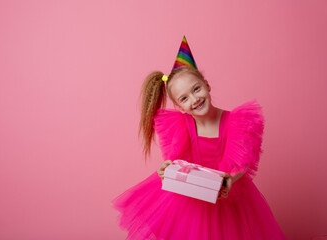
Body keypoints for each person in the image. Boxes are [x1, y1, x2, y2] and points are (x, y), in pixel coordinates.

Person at [111, 36, 287, 239]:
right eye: (184, 98)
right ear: (178, 106)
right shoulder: (179, 126)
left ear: (207, 85)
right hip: (192, 198)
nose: (194, 99)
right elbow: (179, 162)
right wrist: (166, 170)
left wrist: (231, 178)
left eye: (197, 89)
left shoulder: (235, 121)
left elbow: (243, 163)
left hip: (228, 196)